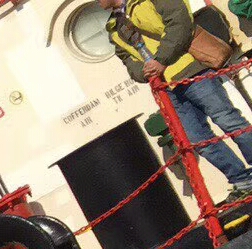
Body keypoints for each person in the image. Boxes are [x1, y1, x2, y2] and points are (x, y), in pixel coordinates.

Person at [105, 0, 252, 202]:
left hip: (191, 69)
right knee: (197, 140)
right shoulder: (113, 27)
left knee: (228, 120)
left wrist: (161, 60)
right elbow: (128, 61)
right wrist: (145, 72)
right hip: (166, 86)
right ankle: (242, 180)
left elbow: (180, 22)